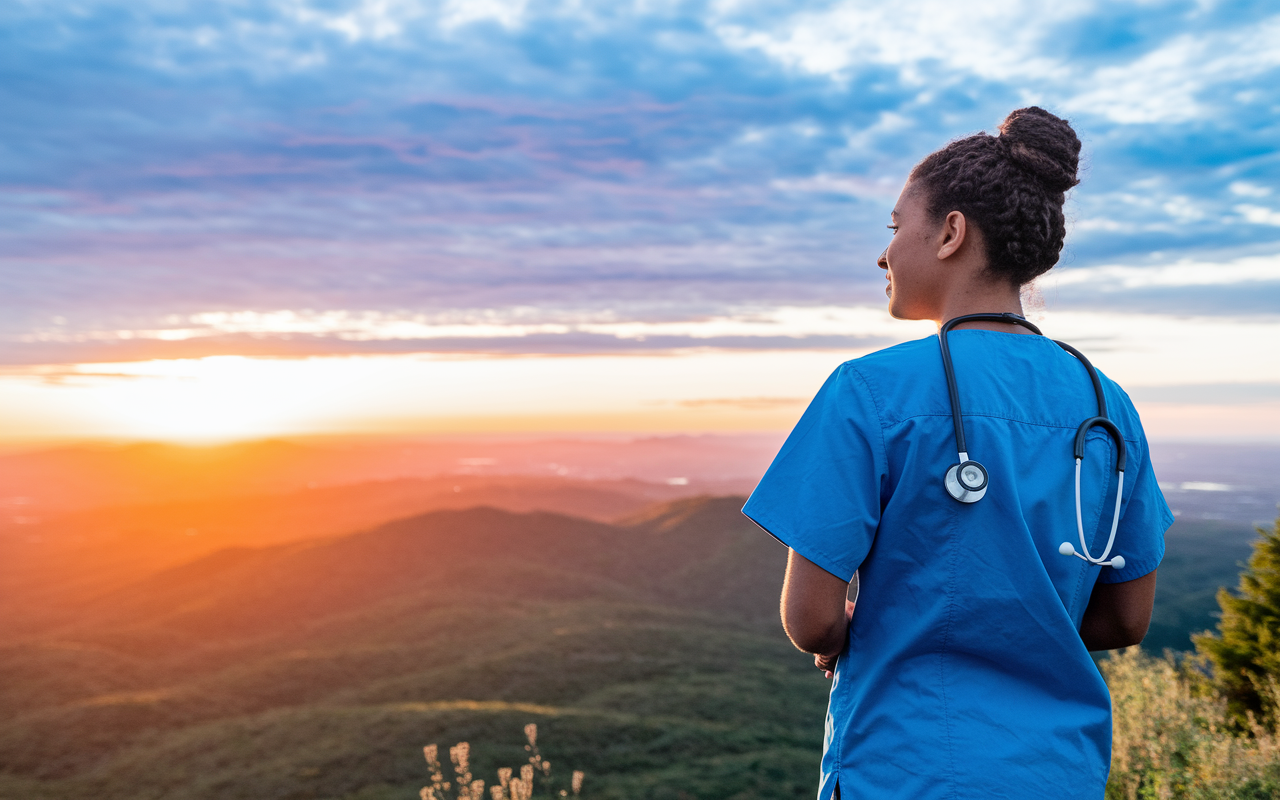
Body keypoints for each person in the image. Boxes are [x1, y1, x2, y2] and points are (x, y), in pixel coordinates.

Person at [741, 107, 1173, 800]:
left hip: (905, 771)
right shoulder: (1105, 403)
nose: (883, 255)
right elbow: (1126, 618)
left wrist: (864, 624)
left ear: (950, 234)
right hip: (1058, 774)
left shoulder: (871, 390)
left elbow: (811, 619)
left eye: (894, 229)